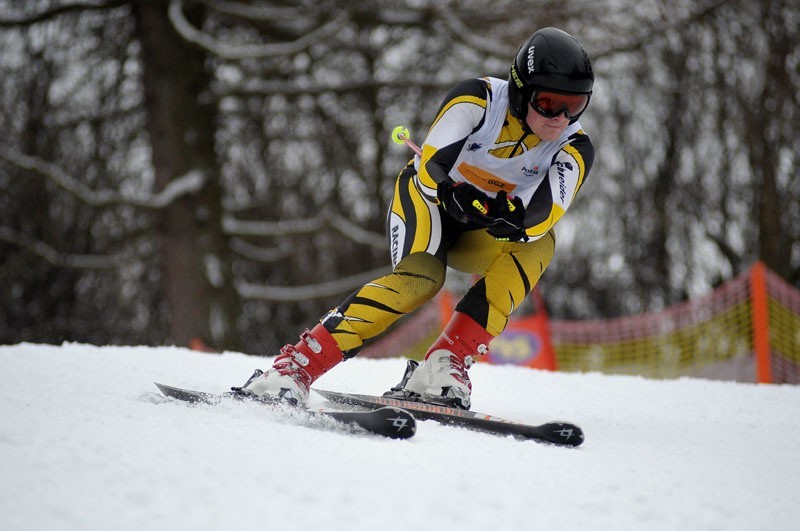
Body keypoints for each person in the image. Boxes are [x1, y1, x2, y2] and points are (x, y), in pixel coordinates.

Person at [235, 27, 595, 410]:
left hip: (483, 228)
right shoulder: (479, 99)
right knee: (421, 281)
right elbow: (432, 167)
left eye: (574, 105)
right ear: (521, 91)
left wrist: (512, 217)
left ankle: (444, 363)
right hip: (428, 203)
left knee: (541, 242)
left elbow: (547, 211)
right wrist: (450, 191)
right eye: (549, 102)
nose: (560, 118)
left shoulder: (575, 146)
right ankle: (294, 368)